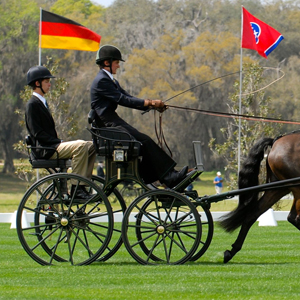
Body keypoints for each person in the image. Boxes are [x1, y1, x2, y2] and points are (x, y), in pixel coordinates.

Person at [90, 44, 189, 188]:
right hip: (109, 125)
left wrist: (151, 105)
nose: (118, 66)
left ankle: (164, 176)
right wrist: (151, 102)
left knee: (145, 142)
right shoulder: (102, 81)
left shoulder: (110, 80)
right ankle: (169, 177)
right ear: (107, 62)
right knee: (145, 141)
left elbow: (128, 96)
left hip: (113, 122)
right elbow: (123, 100)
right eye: (117, 62)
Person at [25, 65, 96, 200]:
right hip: (46, 149)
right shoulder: (32, 104)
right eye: (46, 81)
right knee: (80, 146)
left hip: (52, 146)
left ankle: (83, 184)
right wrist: (59, 142)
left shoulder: (42, 102)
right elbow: (37, 133)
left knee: (91, 146)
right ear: (37, 83)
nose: (50, 84)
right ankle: (77, 188)